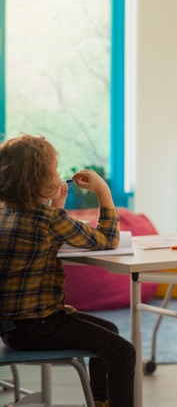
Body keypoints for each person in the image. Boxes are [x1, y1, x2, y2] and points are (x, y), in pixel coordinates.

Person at [0, 135, 136, 407]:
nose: (59, 176)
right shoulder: (49, 220)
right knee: (123, 352)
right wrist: (103, 193)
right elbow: (108, 240)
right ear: (38, 181)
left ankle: (101, 401)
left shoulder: (6, 213)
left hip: (11, 327)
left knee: (108, 330)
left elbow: (37, 235)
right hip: (39, 325)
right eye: (54, 172)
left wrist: (56, 208)